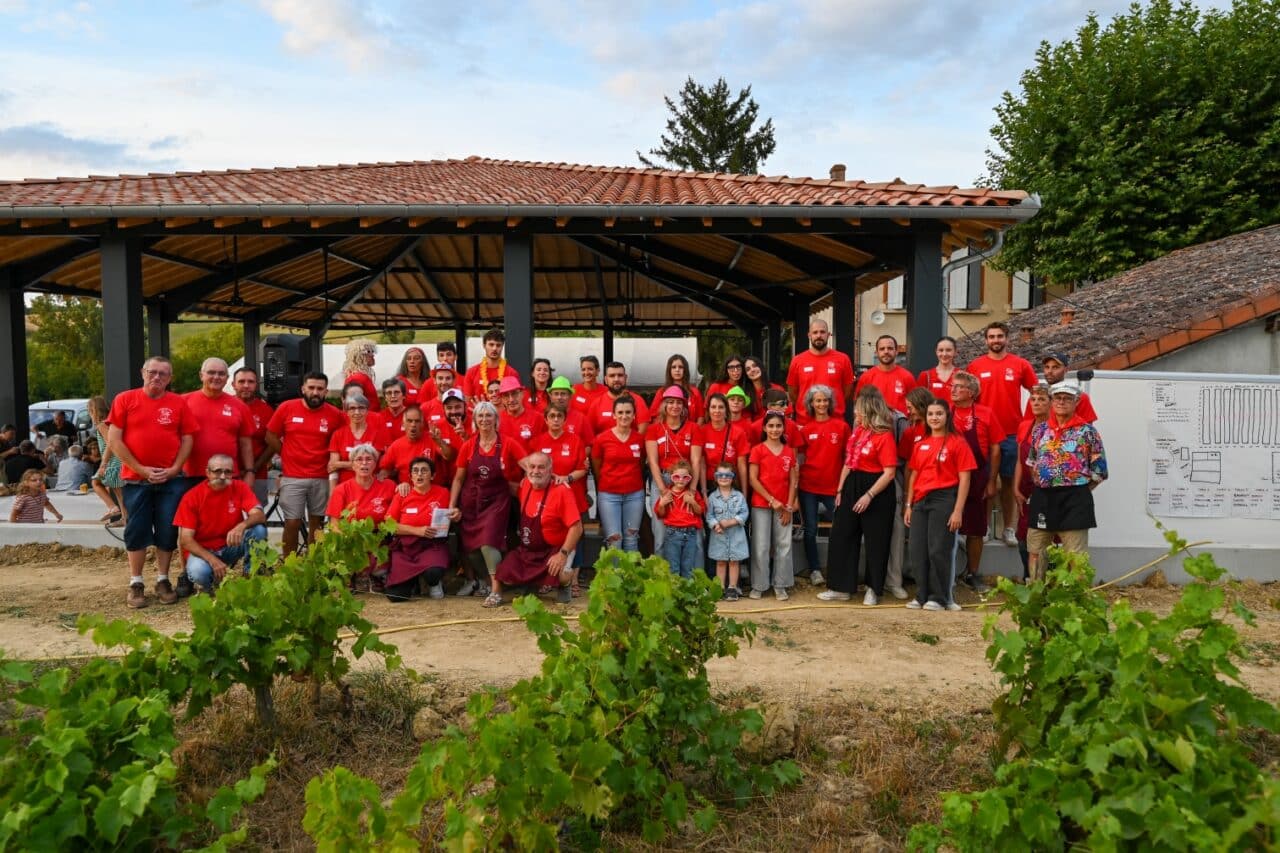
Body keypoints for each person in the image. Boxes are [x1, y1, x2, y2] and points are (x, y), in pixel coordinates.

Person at [107, 356, 199, 609]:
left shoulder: (178, 403)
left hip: (171, 480)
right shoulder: (125, 399)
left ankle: (162, 579)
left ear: (170, 378)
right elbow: (115, 440)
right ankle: (136, 582)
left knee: (167, 530)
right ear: (143, 372)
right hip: (136, 480)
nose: (157, 377)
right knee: (136, 530)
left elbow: (188, 439)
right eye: (153, 372)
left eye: (163, 374)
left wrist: (176, 468)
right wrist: (141, 469)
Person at [818, 392, 899, 605]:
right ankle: (840, 587)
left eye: (858, 409)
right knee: (841, 534)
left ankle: (873, 589)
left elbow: (889, 472)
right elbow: (848, 462)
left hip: (877, 489)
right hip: (853, 483)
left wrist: (869, 495)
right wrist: (840, 490)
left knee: (876, 540)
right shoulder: (858, 432)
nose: (855, 412)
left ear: (869, 411)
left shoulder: (884, 436)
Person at [1024, 381, 1108, 580]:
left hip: (1074, 498)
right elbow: (1032, 462)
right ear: (1052, 401)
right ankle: (1037, 596)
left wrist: (1078, 489)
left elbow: (1099, 470)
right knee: (1036, 550)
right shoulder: (1040, 430)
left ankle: (1075, 600)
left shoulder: (1087, 432)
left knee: (1075, 555)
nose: (1062, 402)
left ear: (1076, 402)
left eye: (1067, 398)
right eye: (1058, 398)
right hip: (1043, 497)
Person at [967, 322, 1037, 547]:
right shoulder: (975, 366)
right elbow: (968, 399)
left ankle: (1009, 528)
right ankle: (984, 526)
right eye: (991, 337)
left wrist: (1027, 422)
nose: (995, 340)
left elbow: (1035, 393)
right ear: (986, 340)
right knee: (984, 482)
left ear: (1007, 338)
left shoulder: (1020, 365)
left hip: (1010, 434)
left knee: (1009, 483)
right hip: (982, 434)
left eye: (999, 336)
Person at [449, 402, 528, 597]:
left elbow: (529, 465)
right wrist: (452, 505)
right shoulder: (468, 445)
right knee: (473, 549)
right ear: (475, 421)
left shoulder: (508, 443)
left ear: (496, 419)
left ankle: (496, 591)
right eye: (480, 416)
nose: (484, 419)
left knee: (487, 542)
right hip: (471, 503)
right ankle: (490, 580)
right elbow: (459, 478)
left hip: (497, 501)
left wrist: (542, 478)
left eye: (488, 415)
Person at [904, 400, 976, 611]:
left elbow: (965, 478)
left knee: (939, 550)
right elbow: (913, 475)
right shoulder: (921, 444)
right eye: (930, 414)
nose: (934, 418)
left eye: (939, 414)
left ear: (947, 416)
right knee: (917, 550)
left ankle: (939, 597)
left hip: (944, 499)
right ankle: (921, 595)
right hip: (920, 501)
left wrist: (957, 510)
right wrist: (909, 504)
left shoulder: (957, 443)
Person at [487, 452, 583, 607]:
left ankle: (566, 583)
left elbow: (577, 527)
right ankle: (531, 585)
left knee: (560, 573)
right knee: (504, 572)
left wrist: (563, 554)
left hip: (556, 549)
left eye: (541, 467)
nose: (536, 471)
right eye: (532, 467)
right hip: (529, 551)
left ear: (550, 470)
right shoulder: (525, 485)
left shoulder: (562, 491)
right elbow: (512, 481)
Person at [265, 370, 342, 557]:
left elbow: (347, 435)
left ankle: (314, 563)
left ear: (326, 391)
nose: (315, 392)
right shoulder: (286, 408)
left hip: (322, 477)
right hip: (293, 477)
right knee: (292, 522)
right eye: (311, 388)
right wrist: (285, 453)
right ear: (303, 389)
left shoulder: (335, 415)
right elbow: (270, 435)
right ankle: (290, 564)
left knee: (318, 523)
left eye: (320, 389)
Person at [174, 453, 268, 594]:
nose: (223, 476)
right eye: (217, 471)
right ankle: (213, 583)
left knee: (259, 530)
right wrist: (212, 560)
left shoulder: (240, 487)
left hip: (229, 546)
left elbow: (260, 515)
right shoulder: (192, 497)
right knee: (199, 573)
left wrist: (241, 526)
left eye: (228, 472)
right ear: (208, 472)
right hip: (203, 551)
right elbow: (186, 540)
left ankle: (251, 576)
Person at [950, 371, 1005, 594]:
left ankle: (973, 573)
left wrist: (991, 481)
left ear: (971, 393)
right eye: (952, 386)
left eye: (958, 387)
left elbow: (995, 448)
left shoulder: (986, 413)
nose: (953, 390)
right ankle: (947, 574)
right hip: (948, 477)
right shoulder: (945, 412)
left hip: (977, 476)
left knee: (975, 529)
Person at [533, 403, 590, 595]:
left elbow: (583, 469)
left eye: (559, 416)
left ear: (565, 420)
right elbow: (532, 468)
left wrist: (568, 478)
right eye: (552, 416)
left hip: (573, 496)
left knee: (576, 538)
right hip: (548, 499)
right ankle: (549, 577)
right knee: (550, 537)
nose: (556, 419)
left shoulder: (575, 441)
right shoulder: (539, 441)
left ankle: (573, 578)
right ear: (546, 419)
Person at [797, 384, 850, 585]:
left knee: (840, 528)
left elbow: (848, 457)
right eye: (817, 400)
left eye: (825, 400)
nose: (821, 404)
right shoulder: (806, 429)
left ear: (830, 403)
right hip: (808, 486)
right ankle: (815, 570)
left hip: (833, 487)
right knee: (810, 529)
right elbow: (800, 458)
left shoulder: (842, 427)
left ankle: (838, 567)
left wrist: (843, 485)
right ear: (811, 403)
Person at [325, 443, 398, 588]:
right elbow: (334, 524)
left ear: (375, 464)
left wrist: (404, 486)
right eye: (359, 459)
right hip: (353, 539)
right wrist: (348, 542)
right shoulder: (341, 489)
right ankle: (355, 572)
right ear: (352, 465)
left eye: (368, 459)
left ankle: (373, 572)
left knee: (379, 571)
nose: (364, 463)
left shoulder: (389, 486)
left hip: (380, 539)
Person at [385, 456, 453, 602]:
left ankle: (433, 583)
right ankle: (413, 582)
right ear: (410, 476)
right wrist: (417, 530)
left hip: (432, 545)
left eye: (424, 471)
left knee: (433, 572)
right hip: (406, 548)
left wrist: (457, 514)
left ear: (433, 475)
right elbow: (389, 525)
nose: (419, 474)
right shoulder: (402, 495)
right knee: (396, 597)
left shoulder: (443, 493)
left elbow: (453, 513)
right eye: (415, 471)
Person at [747, 412, 798, 600]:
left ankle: (781, 584)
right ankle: (759, 585)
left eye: (778, 426)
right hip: (762, 504)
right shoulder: (757, 450)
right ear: (764, 428)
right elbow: (753, 479)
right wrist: (771, 500)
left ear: (783, 428)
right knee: (760, 545)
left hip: (784, 506)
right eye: (771, 426)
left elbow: (793, 480)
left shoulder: (788, 451)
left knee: (783, 544)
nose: (775, 430)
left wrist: (789, 506)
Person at [646, 385, 703, 554]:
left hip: (686, 482)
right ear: (664, 405)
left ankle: (693, 576)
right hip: (662, 480)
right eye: (670, 402)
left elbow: (696, 460)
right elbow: (652, 461)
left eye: (679, 403)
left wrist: (692, 489)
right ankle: (662, 577)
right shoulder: (653, 429)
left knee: (693, 529)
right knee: (661, 531)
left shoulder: (693, 428)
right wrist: (663, 490)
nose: (674, 406)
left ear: (684, 406)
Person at [183, 358, 255, 488]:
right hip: (188, 476)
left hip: (226, 475)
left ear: (227, 378)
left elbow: (246, 444)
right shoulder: (183, 402)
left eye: (221, 374)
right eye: (211, 372)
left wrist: (250, 472)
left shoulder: (240, 406)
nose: (216, 377)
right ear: (201, 375)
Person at [591, 394, 645, 554]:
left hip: (634, 494)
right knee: (614, 540)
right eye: (620, 412)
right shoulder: (602, 439)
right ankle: (614, 577)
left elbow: (641, 464)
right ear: (613, 415)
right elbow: (596, 466)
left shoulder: (639, 439)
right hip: (609, 495)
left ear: (634, 415)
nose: (624, 416)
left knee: (631, 539)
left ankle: (630, 578)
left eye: (628, 412)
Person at [1013, 384, 1051, 580]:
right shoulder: (1024, 426)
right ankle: (1029, 577)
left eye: (1042, 399)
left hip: (1047, 492)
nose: (1036, 403)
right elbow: (1021, 460)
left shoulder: (1055, 428)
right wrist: (1015, 488)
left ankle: (1048, 580)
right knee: (1022, 537)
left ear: (1051, 403)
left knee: (1048, 537)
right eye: (1033, 399)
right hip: (1026, 491)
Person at [787, 318, 856, 423]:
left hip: (835, 422)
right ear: (809, 335)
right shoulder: (797, 360)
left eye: (822, 332)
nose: (819, 335)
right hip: (805, 422)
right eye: (815, 332)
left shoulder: (843, 359)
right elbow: (793, 393)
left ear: (828, 335)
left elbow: (847, 392)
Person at [380, 404, 456, 488]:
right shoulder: (396, 445)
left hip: (433, 492)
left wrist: (439, 442)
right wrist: (394, 486)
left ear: (422, 424)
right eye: (409, 421)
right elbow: (384, 470)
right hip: (407, 493)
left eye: (417, 421)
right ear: (403, 424)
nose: (413, 424)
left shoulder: (432, 439)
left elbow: (450, 456)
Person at [654, 458, 705, 578]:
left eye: (685, 477)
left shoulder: (693, 494)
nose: (681, 480)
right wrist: (662, 504)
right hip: (672, 534)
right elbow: (660, 514)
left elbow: (700, 511)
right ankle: (675, 594)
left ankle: (687, 594)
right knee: (673, 567)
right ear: (671, 477)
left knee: (688, 567)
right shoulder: (667, 494)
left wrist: (692, 502)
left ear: (690, 478)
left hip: (690, 533)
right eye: (677, 477)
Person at [705, 461, 749, 599]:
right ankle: (720, 588)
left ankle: (732, 588)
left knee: (734, 561)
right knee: (720, 561)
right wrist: (715, 525)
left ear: (733, 477)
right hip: (719, 536)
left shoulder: (739, 496)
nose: (724, 478)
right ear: (716, 477)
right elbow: (709, 515)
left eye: (728, 475)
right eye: (720, 475)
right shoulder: (712, 497)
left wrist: (731, 521)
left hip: (736, 535)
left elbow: (744, 513)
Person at [233, 367, 276, 505]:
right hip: (225, 473)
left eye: (250, 382)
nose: (246, 385)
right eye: (241, 381)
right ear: (233, 384)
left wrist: (255, 468)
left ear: (256, 385)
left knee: (255, 515)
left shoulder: (266, 410)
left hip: (257, 474)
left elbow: (272, 443)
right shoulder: (224, 405)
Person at [329, 393, 387, 485]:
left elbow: (372, 464)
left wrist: (341, 464)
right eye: (352, 408)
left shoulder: (377, 434)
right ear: (346, 412)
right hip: (344, 486)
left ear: (367, 411)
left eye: (361, 408)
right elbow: (332, 466)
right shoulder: (338, 434)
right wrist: (332, 493)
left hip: (369, 485)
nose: (357, 412)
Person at [699, 392, 750, 498]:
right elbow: (702, 465)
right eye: (713, 407)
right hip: (710, 484)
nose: (717, 411)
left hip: (731, 483)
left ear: (727, 410)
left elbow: (742, 466)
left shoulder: (738, 432)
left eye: (721, 407)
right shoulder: (702, 431)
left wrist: (744, 494)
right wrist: (703, 492)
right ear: (708, 410)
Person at [87, 395, 126, 524]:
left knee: (97, 483)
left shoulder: (101, 424)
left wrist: (103, 463)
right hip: (118, 460)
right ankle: (123, 516)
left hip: (113, 462)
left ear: (94, 411)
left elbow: (110, 442)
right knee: (118, 492)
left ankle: (114, 509)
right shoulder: (111, 422)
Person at [1027, 352, 1098, 423]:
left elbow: (1087, 428)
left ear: (1066, 370)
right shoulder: (1036, 396)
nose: (1050, 371)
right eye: (1047, 367)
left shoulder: (1080, 397)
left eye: (1055, 367)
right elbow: (1028, 425)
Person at [856, 335, 916, 413]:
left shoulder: (907, 377)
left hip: (900, 424)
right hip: (873, 424)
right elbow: (859, 405)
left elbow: (915, 405)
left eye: (890, 348)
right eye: (882, 349)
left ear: (896, 351)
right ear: (877, 352)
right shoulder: (866, 377)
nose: (886, 351)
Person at [589, 361, 650, 435]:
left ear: (625, 378)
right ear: (606, 380)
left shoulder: (637, 400)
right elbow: (590, 434)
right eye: (612, 376)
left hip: (631, 445)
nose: (616, 379)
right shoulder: (596, 404)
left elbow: (643, 432)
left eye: (620, 375)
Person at [463, 328, 520, 403]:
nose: (494, 348)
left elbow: (516, 401)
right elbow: (468, 402)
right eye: (491, 344)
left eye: (498, 345)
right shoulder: (471, 372)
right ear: (484, 346)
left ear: (502, 346)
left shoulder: (512, 373)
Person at [497, 375, 545, 444]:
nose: (511, 399)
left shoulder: (538, 418)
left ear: (522, 394)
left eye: (514, 394)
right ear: (502, 399)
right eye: (506, 395)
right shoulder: (496, 421)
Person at [660, 354, 704, 422]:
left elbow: (700, 417)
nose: (677, 370)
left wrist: (694, 431)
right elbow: (655, 416)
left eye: (680, 367)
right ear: (669, 370)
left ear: (685, 370)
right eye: (674, 367)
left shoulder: (694, 392)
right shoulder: (662, 391)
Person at [342, 340, 381, 411]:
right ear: (358, 355)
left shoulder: (360, 376)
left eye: (373, 351)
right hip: (366, 419)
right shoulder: (357, 377)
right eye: (368, 351)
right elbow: (351, 406)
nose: (373, 354)